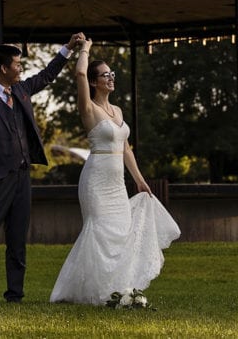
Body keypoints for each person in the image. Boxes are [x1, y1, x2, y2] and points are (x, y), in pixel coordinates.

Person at [50, 38, 180, 306]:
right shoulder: (89, 109)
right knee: (99, 231)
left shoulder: (118, 110)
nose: (111, 78)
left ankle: (120, 288)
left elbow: (126, 149)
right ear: (95, 81)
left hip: (117, 182)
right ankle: (96, 291)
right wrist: (85, 49)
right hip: (96, 181)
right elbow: (78, 72)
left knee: (121, 232)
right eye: (105, 75)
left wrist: (140, 181)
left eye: (112, 74)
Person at [0, 34, 85, 305]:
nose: (21, 68)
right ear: (4, 68)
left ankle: (15, 296)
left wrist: (68, 49)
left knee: (17, 241)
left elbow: (47, 75)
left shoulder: (22, 90)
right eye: (17, 63)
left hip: (22, 179)